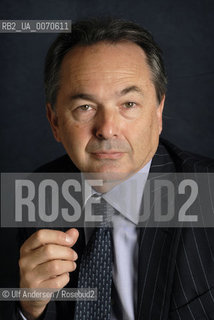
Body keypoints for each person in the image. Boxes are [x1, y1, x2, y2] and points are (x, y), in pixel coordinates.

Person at [11, 18, 214, 319]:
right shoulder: (33, 196)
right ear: (55, 122)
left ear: (158, 112)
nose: (107, 130)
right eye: (85, 107)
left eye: (128, 104)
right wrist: (29, 308)